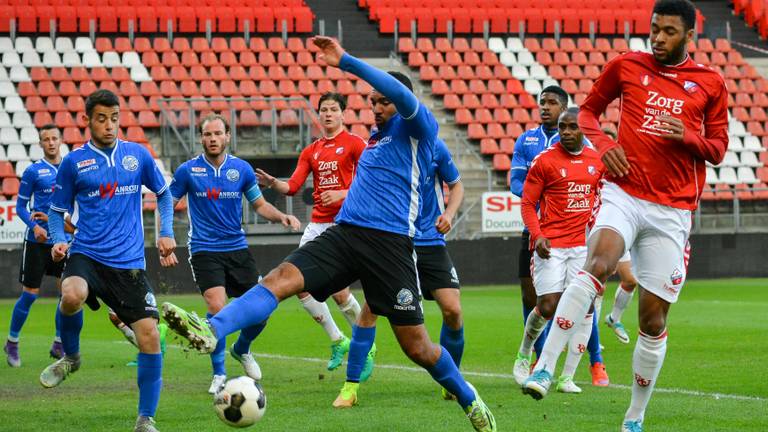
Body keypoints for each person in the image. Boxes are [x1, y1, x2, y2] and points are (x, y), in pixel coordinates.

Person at [161, 36, 496, 432]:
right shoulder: (374, 144)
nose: (375, 107)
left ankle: (469, 398)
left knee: (418, 348)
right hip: (345, 234)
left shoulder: (419, 128)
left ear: (401, 99)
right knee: (279, 279)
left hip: (390, 246)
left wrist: (346, 60)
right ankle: (211, 330)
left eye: (382, 101)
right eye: (371, 102)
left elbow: (397, 96)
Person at [522, 2, 729, 431]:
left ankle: (634, 417)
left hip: (672, 210)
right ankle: (545, 366)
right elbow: (586, 113)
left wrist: (689, 136)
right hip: (624, 193)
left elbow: (718, 149)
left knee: (652, 320)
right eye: (654, 29)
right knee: (597, 263)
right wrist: (603, 145)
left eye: (669, 32)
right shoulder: (626, 66)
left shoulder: (710, 82)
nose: (657, 38)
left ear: (689, 35)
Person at [40, 89, 178, 432]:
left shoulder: (138, 156)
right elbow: (57, 213)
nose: (109, 125)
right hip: (86, 253)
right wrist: (58, 240)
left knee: (149, 337)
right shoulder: (74, 163)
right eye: (101, 119)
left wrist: (166, 232)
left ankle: (145, 418)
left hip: (129, 262)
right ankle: (71, 357)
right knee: (71, 295)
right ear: (88, 120)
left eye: (114, 118)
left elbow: (164, 195)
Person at [167, 113, 300, 393]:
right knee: (217, 307)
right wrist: (165, 234)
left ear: (228, 136)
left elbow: (260, 205)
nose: (212, 139)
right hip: (204, 250)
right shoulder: (188, 170)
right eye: (207, 134)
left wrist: (281, 217)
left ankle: (242, 349)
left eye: (217, 134)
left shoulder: (241, 169)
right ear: (201, 138)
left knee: (262, 311)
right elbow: (169, 200)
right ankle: (219, 374)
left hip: (237, 249)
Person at [333, 137, 465, 407]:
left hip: (430, 240)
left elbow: (456, 185)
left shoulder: (435, 147)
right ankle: (350, 387)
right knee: (371, 310)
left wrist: (450, 214)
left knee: (453, 310)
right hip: (396, 241)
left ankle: (452, 381)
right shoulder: (386, 148)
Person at [255, 92, 371, 372]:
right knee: (298, 284)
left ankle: (364, 346)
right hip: (317, 226)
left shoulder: (355, 144)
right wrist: (274, 183)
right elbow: (292, 186)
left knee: (339, 293)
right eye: (323, 110)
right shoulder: (312, 150)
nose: (328, 114)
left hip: (345, 224)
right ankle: (338, 339)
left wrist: (343, 193)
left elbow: (372, 179)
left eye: (333, 109)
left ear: (343, 114)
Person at [510, 87, 609, 387]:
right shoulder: (544, 160)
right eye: (563, 127)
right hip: (550, 246)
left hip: (582, 247)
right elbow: (527, 202)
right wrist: (537, 234)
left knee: (585, 307)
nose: (565, 132)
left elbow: (605, 202)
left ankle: (568, 375)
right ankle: (525, 353)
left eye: (572, 127)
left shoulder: (598, 161)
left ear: (584, 130)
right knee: (549, 305)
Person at [5, 124, 74, 366]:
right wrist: (34, 227)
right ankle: (12, 342)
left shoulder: (71, 168)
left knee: (66, 294)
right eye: (46, 139)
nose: (51, 143)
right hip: (37, 241)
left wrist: (66, 226)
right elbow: (21, 207)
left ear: (60, 140)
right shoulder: (34, 172)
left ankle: (58, 342)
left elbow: (74, 206)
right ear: (41, 144)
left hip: (62, 241)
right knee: (30, 295)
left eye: (55, 138)